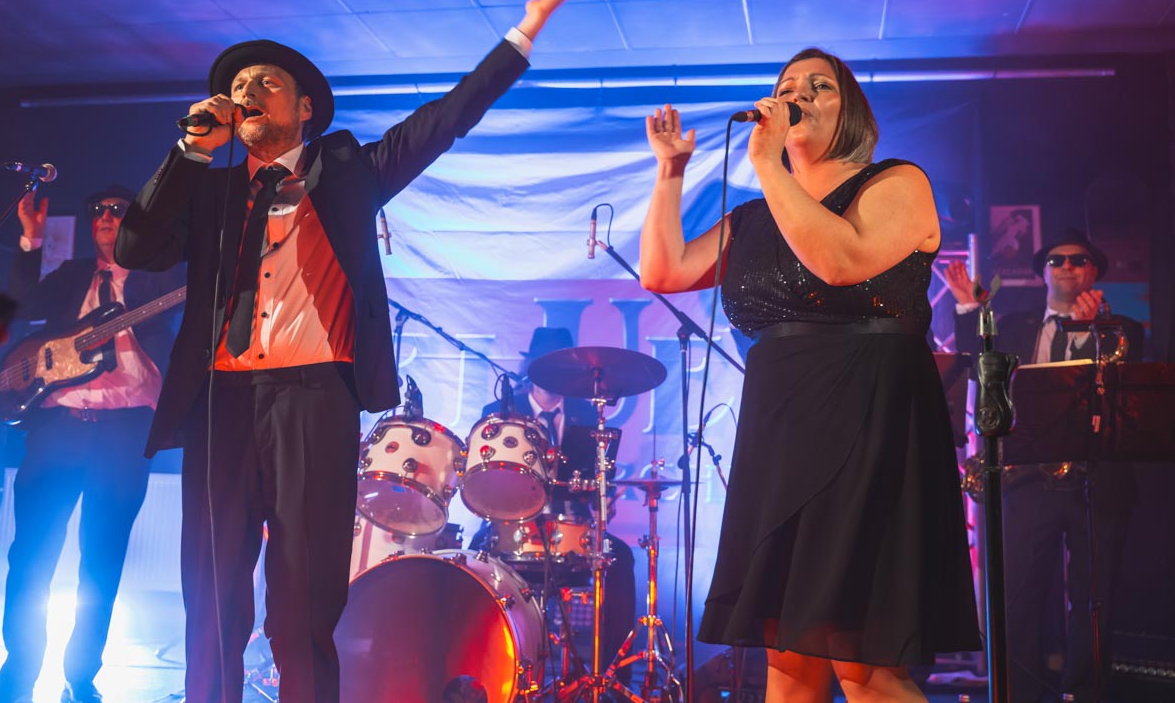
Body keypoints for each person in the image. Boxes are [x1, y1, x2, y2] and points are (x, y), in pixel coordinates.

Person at [113, 0, 590, 703]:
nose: (247, 90)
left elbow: (444, 120)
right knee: (210, 597)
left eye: (266, 81)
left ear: (304, 107)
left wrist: (520, 34)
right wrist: (190, 151)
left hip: (313, 400)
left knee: (303, 605)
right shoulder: (209, 189)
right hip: (220, 403)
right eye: (238, 84)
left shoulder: (349, 174)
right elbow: (136, 248)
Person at [639, 48, 980, 701]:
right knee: (790, 663)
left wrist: (769, 164)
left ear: (851, 112)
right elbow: (664, 270)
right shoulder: (755, 217)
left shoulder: (896, 182)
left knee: (864, 664)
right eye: (788, 85)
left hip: (868, 419)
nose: (798, 95)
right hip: (782, 430)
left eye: (820, 86)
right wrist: (670, 170)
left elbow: (840, 261)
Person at [0, 186, 182, 703]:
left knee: (101, 563)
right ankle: (15, 684)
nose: (105, 217)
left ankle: (80, 679)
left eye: (118, 211)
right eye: (97, 210)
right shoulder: (72, 276)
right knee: (30, 559)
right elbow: (18, 306)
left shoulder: (158, 279)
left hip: (123, 436)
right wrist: (30, 239)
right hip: (57, 431)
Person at [945, 228, 1143, 703]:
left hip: (1097, 480)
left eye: (1078, 260)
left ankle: (1085, 693)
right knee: (1018, 597)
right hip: (1028, 479)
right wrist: (969, 307)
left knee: (1094, 599)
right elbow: (979, 367)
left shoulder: (1124, 329)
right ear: (1043, 274)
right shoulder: (1015, 324)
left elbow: (1122, 390)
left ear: (1094, 272)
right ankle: (1020, 693)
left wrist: (1091, 331)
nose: (1067, 266)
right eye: (1057, 261)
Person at [469, 326, 637, 684]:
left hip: (571, 532)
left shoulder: (588, 416)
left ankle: (607, 677)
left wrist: (604, 499)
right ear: (531, 368)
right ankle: (480, 671)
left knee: (621, 558)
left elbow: (597, 484)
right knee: (471, 560)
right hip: (510, 528)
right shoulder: (500, 411)